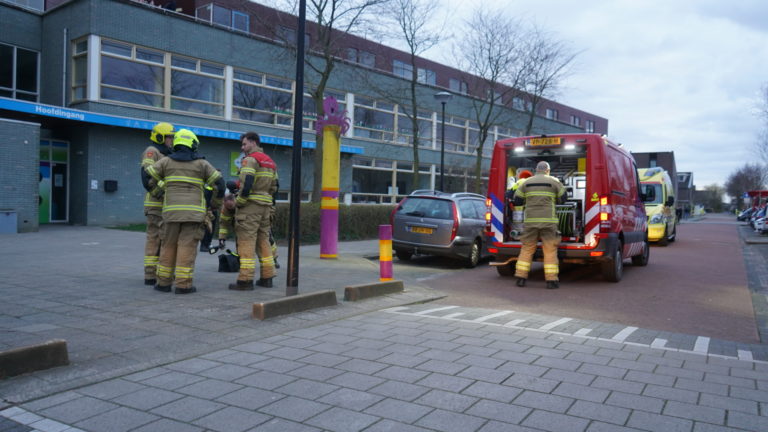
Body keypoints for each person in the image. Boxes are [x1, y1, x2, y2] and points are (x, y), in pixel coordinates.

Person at [145, 129, 224, 294]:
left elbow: (147, 177)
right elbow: (220, 184)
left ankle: (163, 283)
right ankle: (183, 285)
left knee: (168, 246)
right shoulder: (202, 164)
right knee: (186, 248)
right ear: (193, 144)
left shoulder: (166, 162)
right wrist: (215, 203)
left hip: (170, 214)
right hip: (193, 215)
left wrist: (159, 192)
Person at [229, 131, 278, 290]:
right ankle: (267, 277)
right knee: (263, 241)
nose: (242, 148)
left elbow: (247, 182)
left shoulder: (250, 160)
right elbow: (274, 187)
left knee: (246, 242)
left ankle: (245, 280)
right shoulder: (270, 162)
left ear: (253, 142)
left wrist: (240, 202)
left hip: (250, 206)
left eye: (244, 144)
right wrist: (268, 203)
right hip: (265, 207)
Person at [512, 161, 566, 289]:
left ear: (536, 170)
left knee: (527, 249)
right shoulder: (554, 181)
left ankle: (520, 277)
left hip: (530, 222)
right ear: (547, 170)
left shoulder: (526, 182)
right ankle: (551, 281)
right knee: (550, 250)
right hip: (549, 222)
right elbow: (564, 198)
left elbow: (517, 200)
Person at [140, 122, 174, 286]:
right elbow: (146, 177)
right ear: (160, 137)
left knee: (165, 239)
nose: (172, 140)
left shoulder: (167, 154)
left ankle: (162, 272)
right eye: (169, 137)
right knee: (154, 239)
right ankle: (150, 275)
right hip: (155, 205)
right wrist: (160, 192)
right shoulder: (152, 151)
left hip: (166, 206)